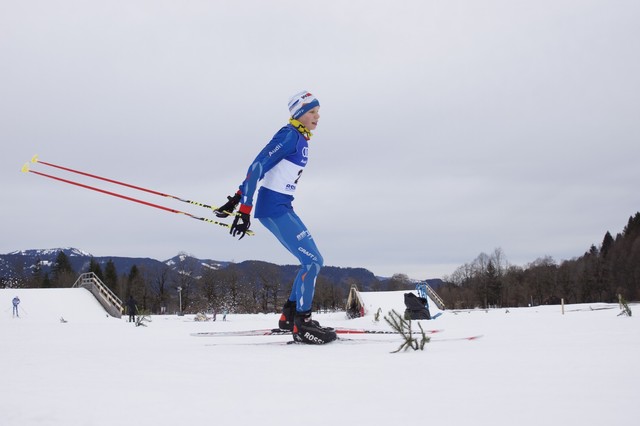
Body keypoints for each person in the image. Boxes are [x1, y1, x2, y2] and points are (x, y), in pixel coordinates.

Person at [214, 91, 336, 345]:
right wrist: (244, 208)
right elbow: (256, 167)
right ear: (299, 112)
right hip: (274, 209)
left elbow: (264, 172)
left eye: (318, 112)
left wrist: (236, 198)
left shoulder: (299, 138)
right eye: (313, 111)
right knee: (312, 262)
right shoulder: (289, 136)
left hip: (283, 207)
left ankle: (290, 317)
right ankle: (302, 323)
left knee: (312, 261)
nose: (318, 116)